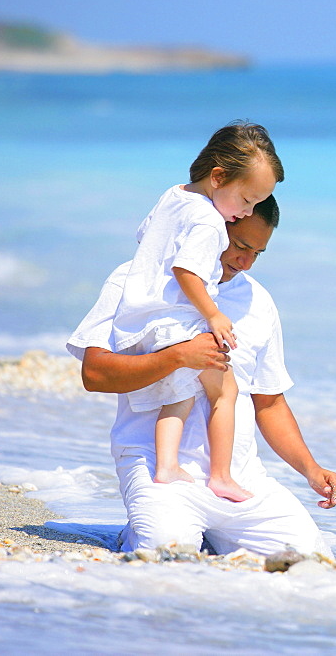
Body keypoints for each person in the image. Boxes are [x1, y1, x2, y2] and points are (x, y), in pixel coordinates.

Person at [67, 198, 336, 557]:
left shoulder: (258, 302)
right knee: (167, 552)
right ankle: (142, 529)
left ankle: (210, 536)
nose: (245, 262)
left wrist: (310, 468)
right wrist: (178, 356)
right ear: (213, 226)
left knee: (308, 559)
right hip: (157, 467)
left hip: (240, 478)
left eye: (257, 253)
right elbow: (95, 374)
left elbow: (270, 403)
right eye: (241, 246)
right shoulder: (134, 280)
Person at [113, 122, 282, 503]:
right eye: (246, 201)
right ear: (219, 176)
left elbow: (147, 237)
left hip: (146, 316)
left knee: (180, 394)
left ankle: (167, 466)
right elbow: (186, 270)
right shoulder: (209, 223)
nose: (246, 211)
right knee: (226, 390)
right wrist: (213, 315)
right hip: (180, 321)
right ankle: (220, 475)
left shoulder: (173, 196)